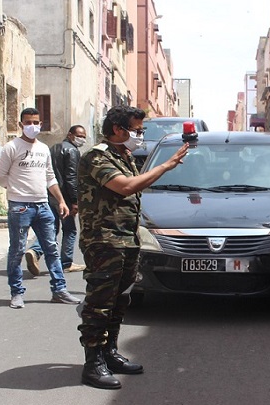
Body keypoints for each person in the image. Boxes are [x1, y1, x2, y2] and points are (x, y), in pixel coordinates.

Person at [77, 105, 188, 389]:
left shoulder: (123, 155)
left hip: (127, 239)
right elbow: (126, 186)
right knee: (100, 303)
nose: (140, 135)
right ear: (117, 129)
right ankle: (92, 363)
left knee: (120, 300)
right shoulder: (97, 156)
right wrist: (166, 165)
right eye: (136, 130)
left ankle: (109, 353)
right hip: (104, 240)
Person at [0, 108, 81, 309]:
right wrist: (15, 189)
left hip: (43, 205)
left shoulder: (43, 149)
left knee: (51, 249)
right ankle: (16, 293)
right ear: (21, 125)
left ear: (41, 124)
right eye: (28, 122)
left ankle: (59, 290)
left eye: (35, 122)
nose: (32, 126)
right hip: (20, 207)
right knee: (17, 250)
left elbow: (50, 177)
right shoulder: (11, 148)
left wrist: (61, 200)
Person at [25, 125, 88, 275]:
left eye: (84, 137)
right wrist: (74, 201)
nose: (82, 139)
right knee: (70, 230)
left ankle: (35, 251)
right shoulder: (72, 151)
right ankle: (66, 263)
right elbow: (71, 178)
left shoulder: (53, 148)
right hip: (64, 197)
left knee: (52, 227)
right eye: (79, 135)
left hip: (51, 193)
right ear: (70, 135)